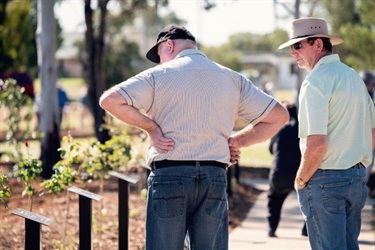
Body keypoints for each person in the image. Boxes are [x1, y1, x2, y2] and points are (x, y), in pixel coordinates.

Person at [99, 25, 289, 250]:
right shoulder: (231, 78)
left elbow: (109, 100)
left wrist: (151, 128)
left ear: (168, 45)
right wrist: (236, 141)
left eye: (159, 56)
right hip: (214, 176)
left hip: (169, 174)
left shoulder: (158, 75)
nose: (160, 62)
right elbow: (279, 115)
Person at [278, 17, 375, 250]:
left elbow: (317, 144)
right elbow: (372, 133)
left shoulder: (315, 82)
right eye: (292, 46)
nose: (293, 52)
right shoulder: (354, 77)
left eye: (298, 45)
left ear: (319, 44)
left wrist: (301, 179)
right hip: (356, 177)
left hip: (325, 180)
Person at [266, 102, 307, 237]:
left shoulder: (279, 129)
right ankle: (306, 229)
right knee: (308, 200)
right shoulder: (303, 129)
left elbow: (271, 149)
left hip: (279, 173)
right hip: (299, 173)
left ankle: (272, 228)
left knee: (274, 201)